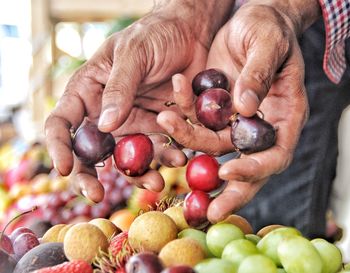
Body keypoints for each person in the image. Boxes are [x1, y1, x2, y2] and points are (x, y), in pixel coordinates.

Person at [45, 0, 350, 236]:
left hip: (297, 29)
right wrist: (191, 12)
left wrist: (284, 9)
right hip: (246, 35)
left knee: (272, 214)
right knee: (254, 213)